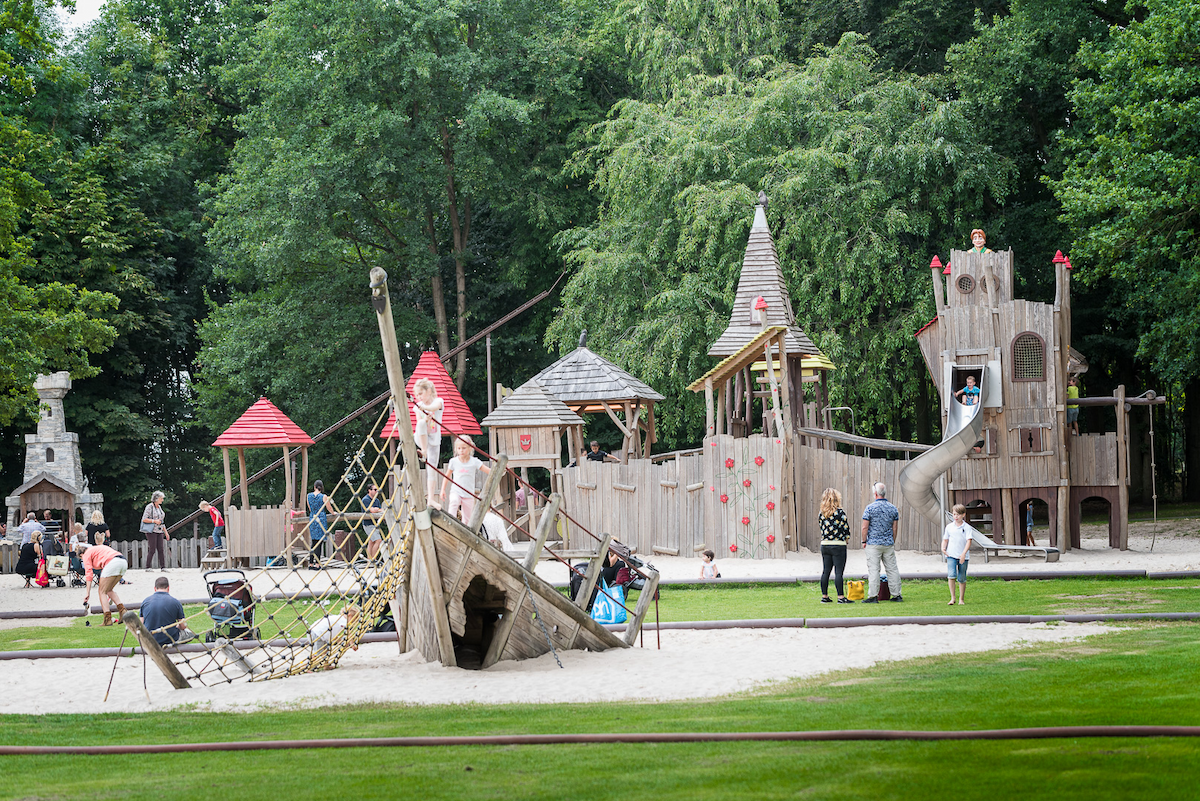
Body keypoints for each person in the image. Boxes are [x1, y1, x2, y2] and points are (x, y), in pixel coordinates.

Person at [861, 482, 902, 603]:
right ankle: (896, 594)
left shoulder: (870, 508)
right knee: (892, 569)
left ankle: (873, 596)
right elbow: (895, 528)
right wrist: (892, 540)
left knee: (874, 570)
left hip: (873, 543)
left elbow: (865, 527)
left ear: (875, 493)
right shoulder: (893, 508)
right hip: (888, 543)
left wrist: (864, 541)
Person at [440, 437, 491, 523]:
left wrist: (502, 469)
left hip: (468, 494)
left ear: (470, 448)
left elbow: (488, 471)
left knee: (467, 519)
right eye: (459, 448)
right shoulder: (454, 461)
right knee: (454, 502)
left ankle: (464, 532)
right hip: (456, 491)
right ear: (456, 449)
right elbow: (447, 476)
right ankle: (450, 522)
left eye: (464, 448)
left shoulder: (474, 461)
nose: (461, 450)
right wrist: (442, 489)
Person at [412, 378, 444, 504]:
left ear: (429, 391)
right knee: (420, 423)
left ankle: (430, 498)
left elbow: (434, 407)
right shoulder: (418, 406)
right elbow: (420, 421)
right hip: (421, 438)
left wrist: (426, 409)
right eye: (417, 395)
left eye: (421, 393)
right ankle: (423, 451)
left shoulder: (438, 401)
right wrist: (426, 419)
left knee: (432, 469)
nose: (419, 397)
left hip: (434, 440)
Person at [81, 542, 128, 626]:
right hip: (123, 561)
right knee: (109, 590)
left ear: (81, 554)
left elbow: (89, 574)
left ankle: (107, 619)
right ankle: (123, 611)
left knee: (101, 591)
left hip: (112, 563)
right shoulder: (96, 549)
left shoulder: (86, 554)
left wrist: (88, 593)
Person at [818, 488, 852, 603]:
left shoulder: (821, 514)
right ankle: (841, 597)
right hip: (838, 544)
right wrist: (846, 539)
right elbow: (845, 528)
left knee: (826, 571)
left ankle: (824, 596)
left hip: (825, 544)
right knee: (838, 572)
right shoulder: (840, 512)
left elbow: (821, 528)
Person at [140, 576, 191, 646]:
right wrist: (177, 626)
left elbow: (141, 624)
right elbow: (183, 626)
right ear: (168, 588)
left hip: (150, 638)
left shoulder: (145, 602)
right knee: (190, 633)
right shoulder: (175, 602)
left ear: (155, 588)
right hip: (170, 638)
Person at [942, 504, 971, 605]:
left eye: (958, 514)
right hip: (951, 555)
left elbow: (968, 541)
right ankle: (952, 598)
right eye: (954, 514)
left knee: (962, 577)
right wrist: (943, 548)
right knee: (951, 575)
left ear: (963, 515)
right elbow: (945, 539)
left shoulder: (967, 527)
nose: (956, 516)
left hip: (963, 556)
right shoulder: (949, 527)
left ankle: (961, 599)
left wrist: (963, 554)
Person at [307, 479, 334, 569]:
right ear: (321, 487)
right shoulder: (324, 496)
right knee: (319, 542)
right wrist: (333, 513)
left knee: (314, 541)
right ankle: (317, 564)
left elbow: (310, 508)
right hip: (321, 518)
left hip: (312, 517)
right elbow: (328, 507)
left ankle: (311, 563)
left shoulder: (309, 496)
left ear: (314, 487)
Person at [140, 491, 169, 571]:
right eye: (161, 498)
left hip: (160, 531)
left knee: (161, 549)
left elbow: (161, 521)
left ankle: (163, 567)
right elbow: (144, 519)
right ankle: (148, 567)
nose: (162, 500)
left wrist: (166, 532)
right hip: (151, 531)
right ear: (156, 498)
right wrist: (154, 521)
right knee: (152, 549)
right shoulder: (149, 507)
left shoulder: (159, 507)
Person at [360, 482, 384, 561]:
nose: (377, 491)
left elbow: (380, 510)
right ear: (369, 490)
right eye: (375, 489)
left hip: (375, 524)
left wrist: (376, 510)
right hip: (368, 524)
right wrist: (376, 510)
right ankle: (373, 559)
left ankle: (369, 561)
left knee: (371, 542)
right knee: (378, 540)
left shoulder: (376, 500)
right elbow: (372, 510)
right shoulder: (365, 500)